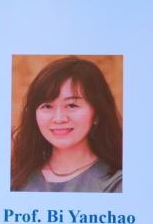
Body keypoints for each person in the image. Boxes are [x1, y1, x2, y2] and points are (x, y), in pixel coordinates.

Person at [11, 56, 123, 193]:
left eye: (72, 105)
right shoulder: (15, 178)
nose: (59, 119)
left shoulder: (116, 184)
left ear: (97, 114)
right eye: (47, 106)